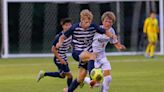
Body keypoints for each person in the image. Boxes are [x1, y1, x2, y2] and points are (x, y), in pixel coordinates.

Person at [57, 9, 120, 92]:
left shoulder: (93, 26)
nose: (89, 24)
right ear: (82, 20)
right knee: (93, 55)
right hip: (77, 52)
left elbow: (104, 31)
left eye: (90, 21)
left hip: (87, 55)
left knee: (80, 78)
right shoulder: (74, 28)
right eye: (87, 22)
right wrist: (59, 43)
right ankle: (92, 79)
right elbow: (62, 37)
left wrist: (112, 35)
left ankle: (69, 90)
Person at [84, 11, 125, 92]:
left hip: (102, 56)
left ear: (112, 23)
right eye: (106, 21)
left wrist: (120, 47)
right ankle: (85, 79)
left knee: (108, 78)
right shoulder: (97, 29)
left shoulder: (111, 31)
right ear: (102, 21)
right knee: (96, 83)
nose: (108, 23)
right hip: (93, 57)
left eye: (110, 22)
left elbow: (115, 42)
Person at [36, 18, 73, 88]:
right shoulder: (59, 36)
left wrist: (70, 46)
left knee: (62, 75)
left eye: (69, 25)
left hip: (64, 57)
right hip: (59, 59)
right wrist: (60, 59)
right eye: (66, 25)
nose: (68, 27)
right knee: (70, 75)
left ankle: (44, 73)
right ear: (63, 26)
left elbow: (68, 43)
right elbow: (53, 49)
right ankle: (70, 89)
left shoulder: (70, 34)